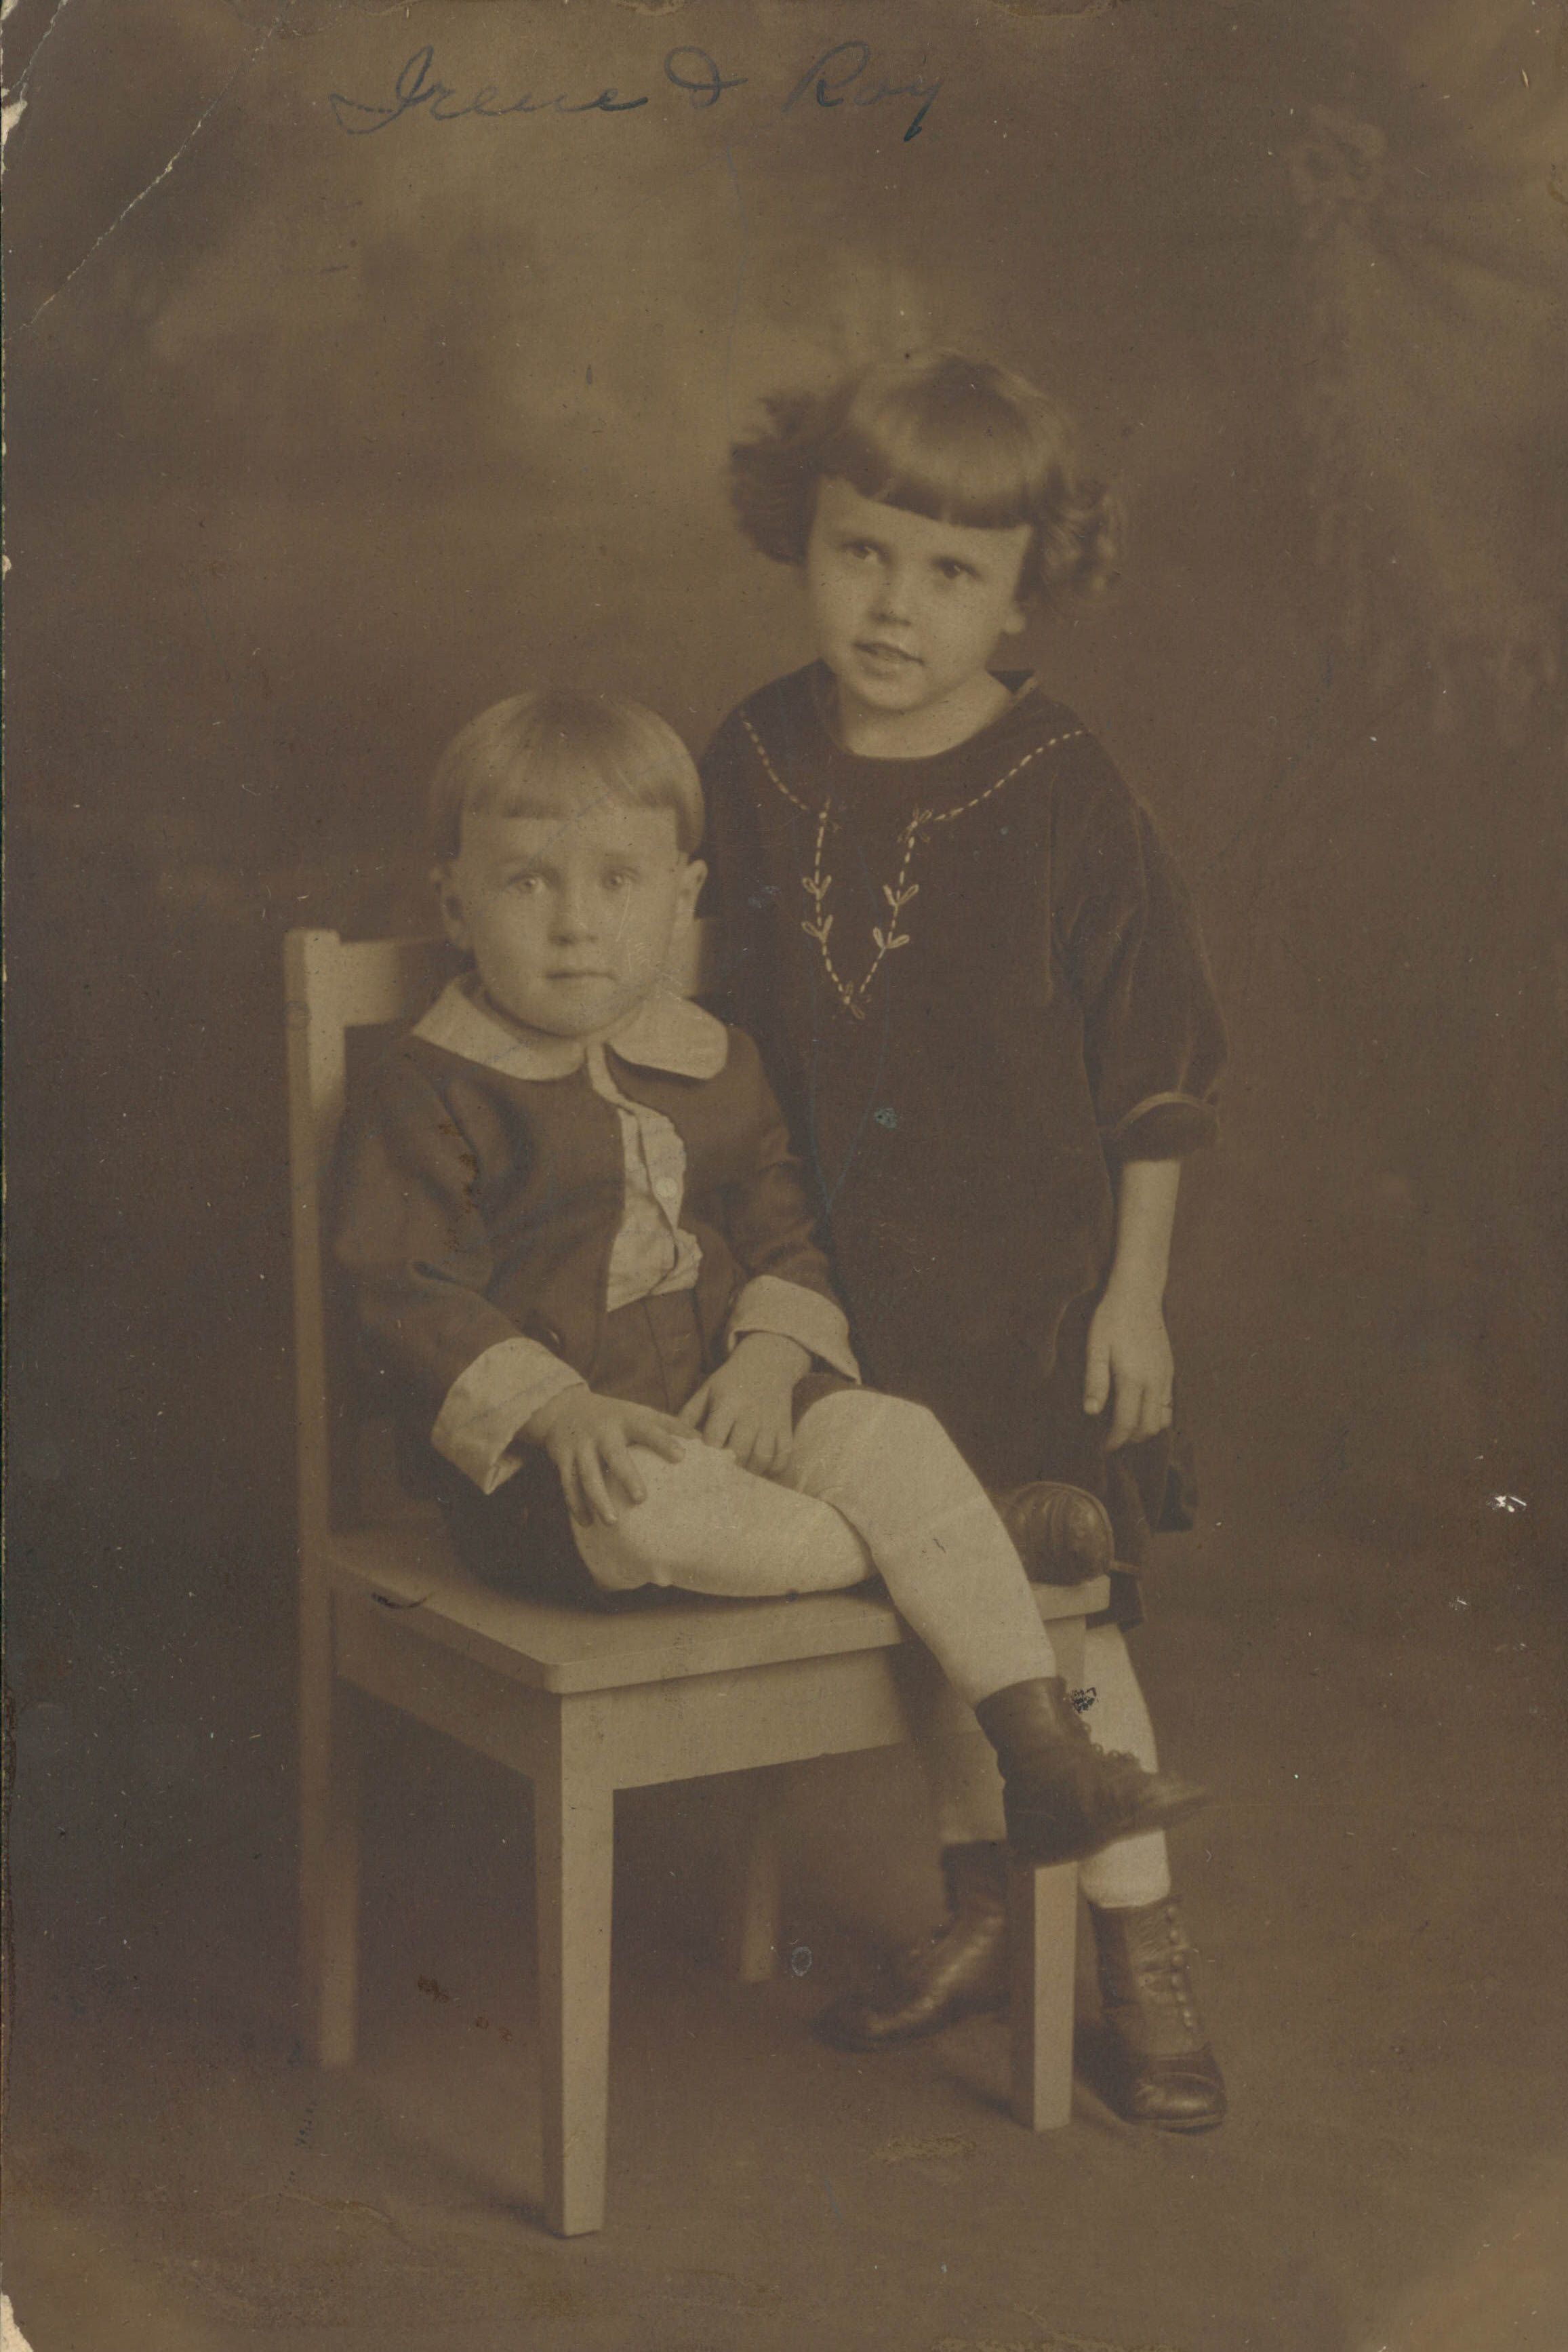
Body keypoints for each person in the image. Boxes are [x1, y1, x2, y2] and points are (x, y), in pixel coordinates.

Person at [333, 688, 1208, 1890]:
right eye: (527, 882)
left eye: (617, 881)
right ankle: (965, 1533)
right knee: (647, 1508)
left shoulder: (714, 1063)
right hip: (560, 1479)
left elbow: (788, 1238)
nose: (575, 925)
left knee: (894, 1433)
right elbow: (405, 1290)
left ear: (682, 896)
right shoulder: (430, 1089)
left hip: (738, 1415)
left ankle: (1044, 1759)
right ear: (453, 903)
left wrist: (768, 1358)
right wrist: (559, 1412)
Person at [698, 352, 1230, 2130]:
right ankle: (991, 1913)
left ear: (1020, 589)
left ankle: (1139, 1953)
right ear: (802, 537)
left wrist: (1135, 1296)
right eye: (860, 552)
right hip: (831, 1281)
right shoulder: (752, 754)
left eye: (948, 572)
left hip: (1028, 1291)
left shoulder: (1059, 777)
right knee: (937, 1610)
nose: (893, 605)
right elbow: (713, 1029)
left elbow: (1154, 1058)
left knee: (1057, 1619)